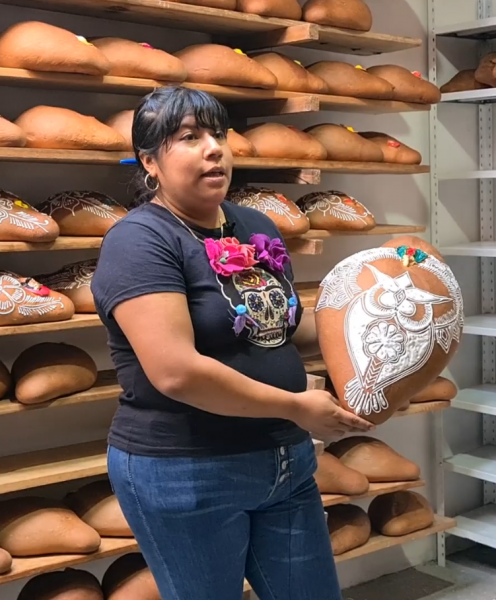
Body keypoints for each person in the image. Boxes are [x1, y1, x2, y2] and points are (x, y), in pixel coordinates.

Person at [91, 86, 374, 600]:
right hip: (188, 470)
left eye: (218, 134)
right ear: (149, 161)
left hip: (284, 461)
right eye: (189, 137)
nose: (214, 147)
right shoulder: (139, 240)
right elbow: (176, 371)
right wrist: (297, 407)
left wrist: (372, 326)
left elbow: (285, 327)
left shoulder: (255, 226)